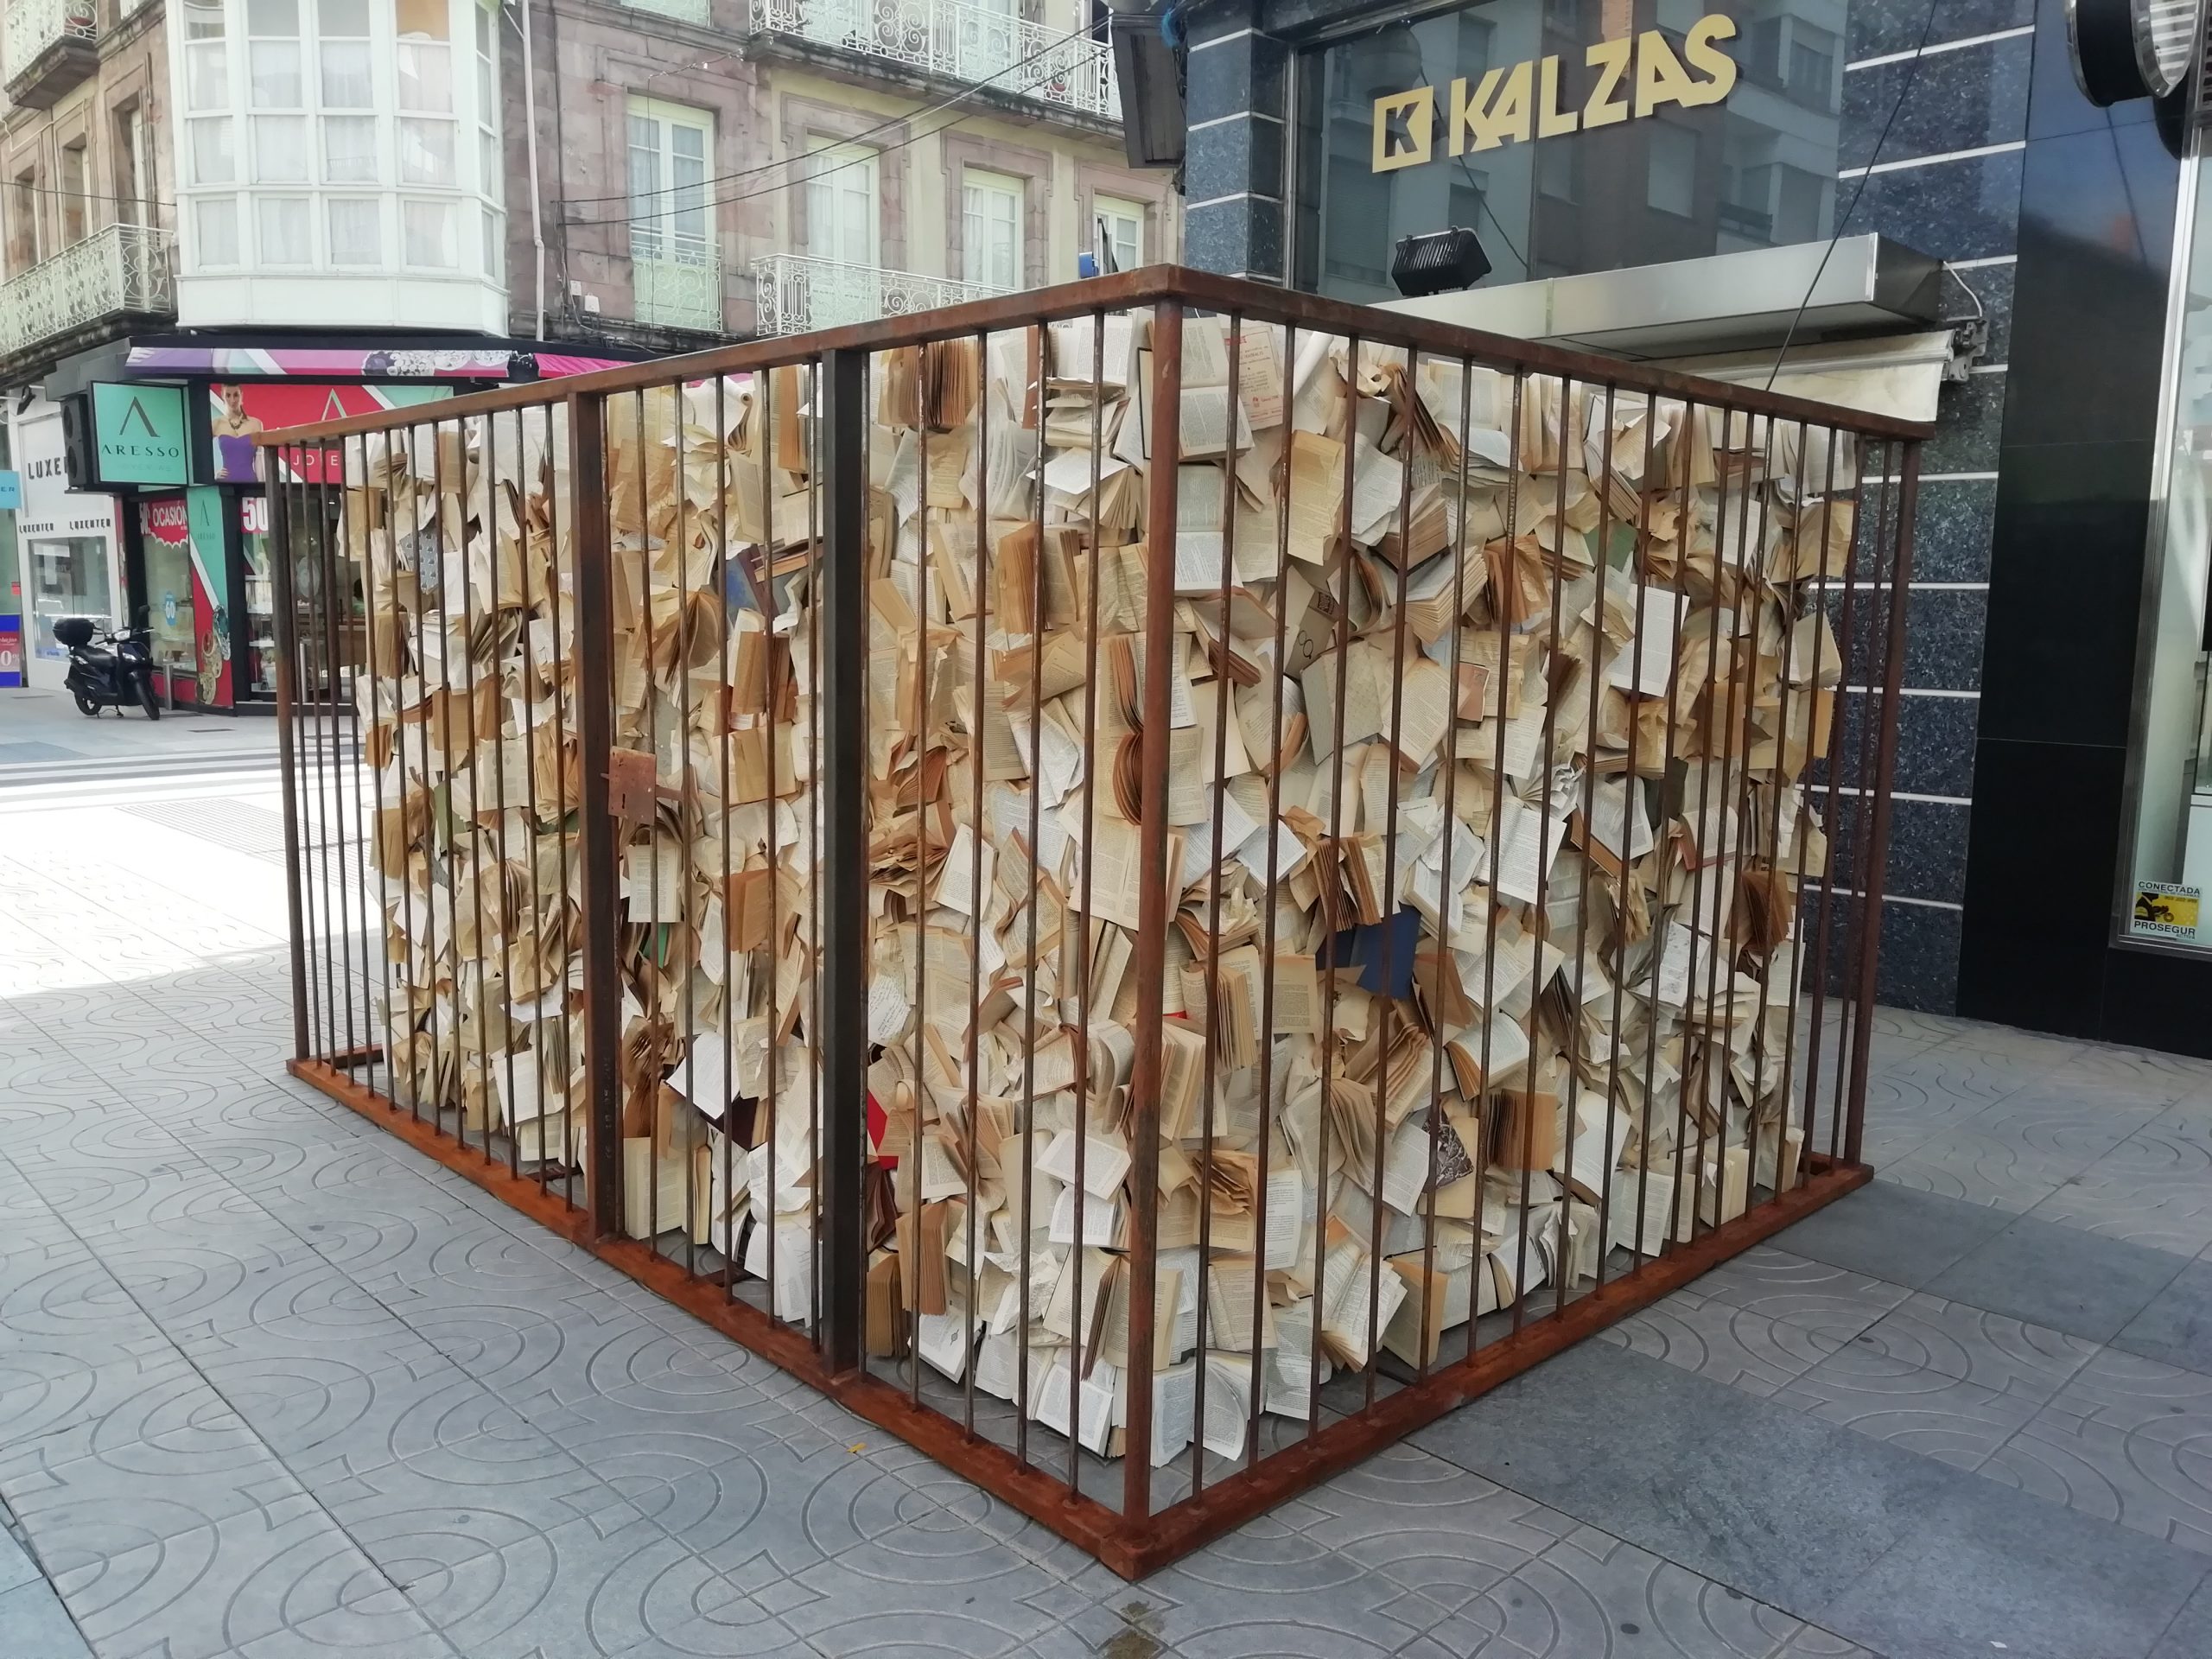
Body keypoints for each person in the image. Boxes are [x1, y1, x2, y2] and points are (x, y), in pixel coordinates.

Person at [213, 385, 264, 482]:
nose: (232, 400)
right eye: (228, 395)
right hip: (226, 484)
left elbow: (259, 458)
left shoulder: (256, 424)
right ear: (222, 396)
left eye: (236, 395)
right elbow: (202, 452)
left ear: (241, 395)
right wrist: (213, 475)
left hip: (250, 483)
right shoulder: (216, 424)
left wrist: (262, 486)